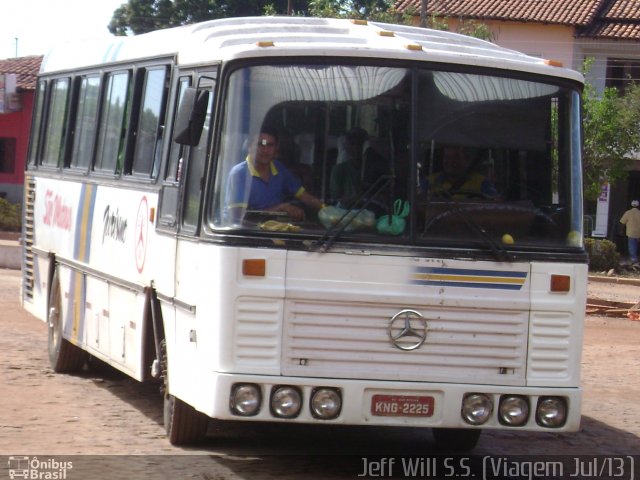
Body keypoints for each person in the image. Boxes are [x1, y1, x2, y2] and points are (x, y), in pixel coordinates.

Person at [225, 127, 324, 221]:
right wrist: (280, 208)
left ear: (276, 149)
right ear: (250, 147)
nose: (265, 150)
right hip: (247, 235)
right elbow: (238, 216)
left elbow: (303, 196)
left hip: (274, 231)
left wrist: (327, 209)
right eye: (260, 144)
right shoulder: (238, 174)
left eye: (270, 145)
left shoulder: (279, 168)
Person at [423, 145, 498, 200]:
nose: (450, 161)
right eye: (447, 157)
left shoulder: (482, 182)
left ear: (467, 159)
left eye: (456, 157)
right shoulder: (429, 182)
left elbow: (496, 204)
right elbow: (417, 205)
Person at [329, 127, 369, 205]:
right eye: (352, 144)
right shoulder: (338, 170)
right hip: (345, 215)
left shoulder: (372, 171)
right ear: (347, 147)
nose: (357, 148)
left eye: (360, 144)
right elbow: (336, 199)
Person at [619, 199, 640, 265]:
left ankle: (634, 259)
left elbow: (622, 222)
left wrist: (621, 231)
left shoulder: (628, 212)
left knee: (632, 246)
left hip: (631, 233)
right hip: (639, 232)